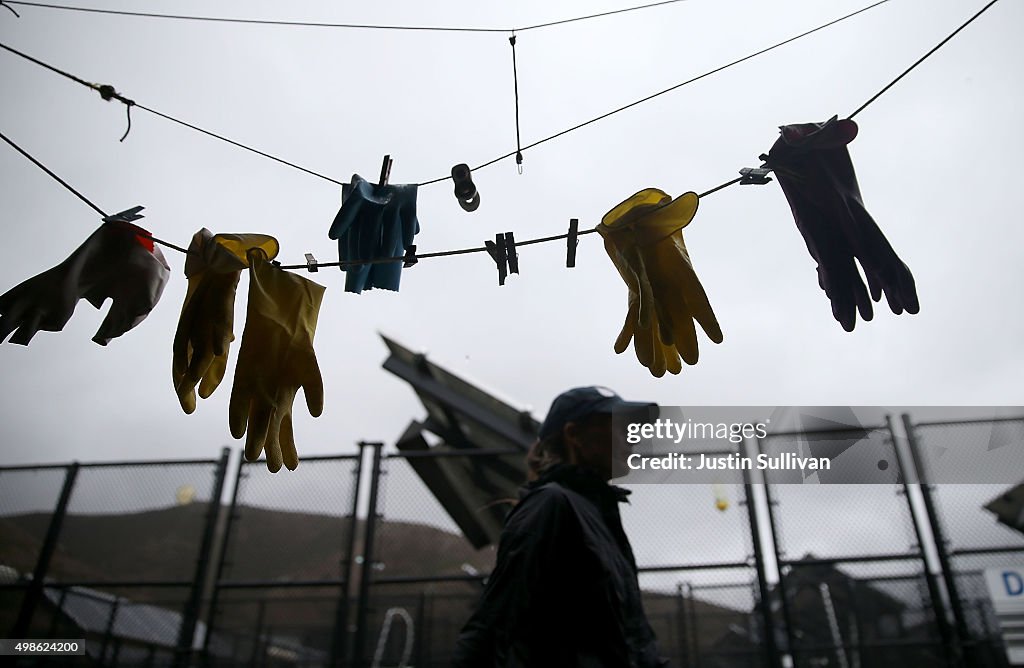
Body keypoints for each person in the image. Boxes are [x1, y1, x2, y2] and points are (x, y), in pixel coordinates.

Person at [452, 386, 672, 667]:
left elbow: (628, 636)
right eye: (618, 427)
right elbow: (493, 623)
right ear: (574, 435)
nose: (631, 438)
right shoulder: (551, 506)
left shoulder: (599, 512)